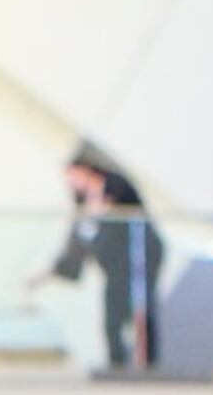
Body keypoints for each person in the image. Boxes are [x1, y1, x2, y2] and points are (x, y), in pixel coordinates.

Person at [41, 148, 158, 371]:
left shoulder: (115, 185)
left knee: (141, 309)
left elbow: (125, 217)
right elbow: (79, 238)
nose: (71, 182)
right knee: (112, 316)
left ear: (85, 171)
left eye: (73, 176)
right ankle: (117, 365)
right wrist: (54, 270)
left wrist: (96, 209)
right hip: (114, 266)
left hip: (138, 259)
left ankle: (147, 364)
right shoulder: (81, 201)